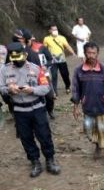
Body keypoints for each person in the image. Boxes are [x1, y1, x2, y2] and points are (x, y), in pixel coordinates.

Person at [0, 42, 61, 177]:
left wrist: (32, 90)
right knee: (26, 138)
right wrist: (9, 89)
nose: (16, 61)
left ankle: (50, 160)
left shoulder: (36, 69)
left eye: (19, 58)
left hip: (37, 108)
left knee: (44, 135)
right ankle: (35, 162)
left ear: (25, 54)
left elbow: (46, 88)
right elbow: (1, 88)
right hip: (19, 111)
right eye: (13, 59)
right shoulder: (4, 70)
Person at [71, 42, 104, 167]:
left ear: (97, 54)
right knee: (89, 131)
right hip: (87, 107)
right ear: (85, 53)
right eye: (89, 53)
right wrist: (75, 107)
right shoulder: (79, 71)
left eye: (94, 53)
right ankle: (97, 144)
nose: (91, 55)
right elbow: (75, 90)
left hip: (103, 106)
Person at [16, 29, 57, 119]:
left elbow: (50, 59)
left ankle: (50, 110)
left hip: (43, 75)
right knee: (33, 95)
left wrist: (46, 66)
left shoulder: (41, 47)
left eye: (22, 38)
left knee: (49, 96)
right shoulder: (19, 50)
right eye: (19, 39)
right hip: (28, 77)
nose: (20, 40)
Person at [43, 24, 76, 95]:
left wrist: (73, 52)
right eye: (53, 29)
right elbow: (44, 49)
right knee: (54, 75)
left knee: (65, 74)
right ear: (49, 31)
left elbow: (67, 46)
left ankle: (67, 86)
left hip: (62, 59)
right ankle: (54, 91)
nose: (55, 31)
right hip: (52, 60)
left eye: (56, 29)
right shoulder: (46, 39)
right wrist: (46, 57)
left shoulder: (62, 38)